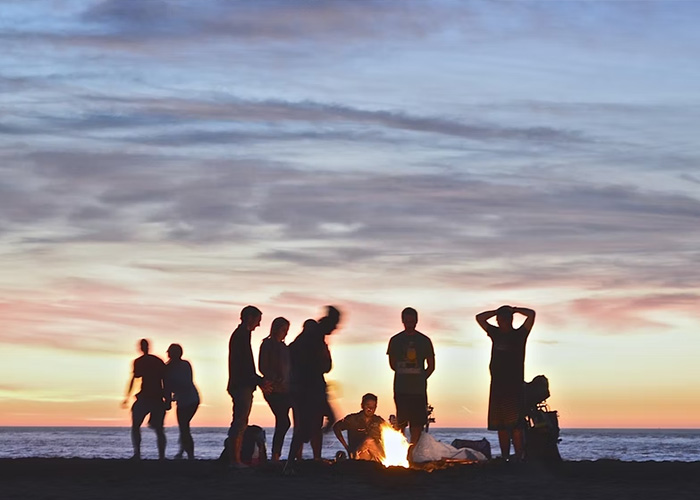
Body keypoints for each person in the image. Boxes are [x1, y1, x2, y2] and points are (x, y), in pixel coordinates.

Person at [476, 305, 536, 462]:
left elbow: (531, 315)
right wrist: (496, 311)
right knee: (500, 425)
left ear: (509, 320)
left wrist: (515, 309)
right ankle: (504, 456)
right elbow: (479, 318)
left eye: (502, 319)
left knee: (516, 425)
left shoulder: (520, 335)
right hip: (497, 386)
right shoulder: (495, 333)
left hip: (514, 386)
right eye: (499, 319)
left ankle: (518, 455)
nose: (500, 322)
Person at [227, 305, 271, 468]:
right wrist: (258, 380)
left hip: (242, 383)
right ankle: (235, 460)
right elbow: (244, 365)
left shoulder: (242, 335)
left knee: (240, 421)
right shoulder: (241, 336)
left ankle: (235, 459)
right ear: (249, 318)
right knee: (239, 422)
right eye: (257, 320)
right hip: (241, 385)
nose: (258, 325)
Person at [285, 318, 331, 470]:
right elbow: (326, 366)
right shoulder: (313, 346)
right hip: (308, 389)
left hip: (299, 389)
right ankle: (301, 459)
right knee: (309, 425)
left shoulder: (294, 346)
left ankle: (293, 461)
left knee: (303, 426)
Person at [387, 307, 435, 451]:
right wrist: (406, 373)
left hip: (418, 390)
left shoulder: (425, 341)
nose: (409, 323)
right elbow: (392, 364)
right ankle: (401, 450)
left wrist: (420, 378)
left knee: (417, 423)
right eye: (407, 320)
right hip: (401, 388)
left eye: (412, 320)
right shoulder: (395, 340)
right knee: (401, 421)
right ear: (402, 321)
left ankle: (412, 452)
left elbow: (431, 366)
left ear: (416, 321)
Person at [122, 338, 168, 460]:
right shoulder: (151, 361)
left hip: (153, 397)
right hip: (149, 397)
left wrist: (167, 398)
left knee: (155, 428)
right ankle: (142, 453)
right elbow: (134, 378)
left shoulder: (149, 361)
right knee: (146, 427)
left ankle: (153, 455)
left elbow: (165, 379)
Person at [258, 316, 292, 461]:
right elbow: (262, 366)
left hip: (286, 388)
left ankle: (277, 455)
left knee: (284, 421)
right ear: (276, 329)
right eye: (283, 330)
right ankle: (275, 455)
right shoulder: (267, 344)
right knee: (284, 421)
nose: (285, 333)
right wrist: (274, 378)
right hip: (273, 388)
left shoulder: (284, 348)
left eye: (286, 330)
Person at [164, 343, 200, 460]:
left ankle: (189, 455)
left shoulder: (184, 365)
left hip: (191, 399)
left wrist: (170, 398)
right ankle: (183, 452)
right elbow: (167, 386)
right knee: (184, 427)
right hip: (183, 400)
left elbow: (185, 383)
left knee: (184, 427)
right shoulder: (168, 368)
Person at [333, 393, 385, 462]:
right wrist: (346, 447)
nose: (371, 409)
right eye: (368, 406)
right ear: (362, 406)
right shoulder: (353, 419)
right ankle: (384, 462)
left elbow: (390, 432)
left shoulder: (379, 421)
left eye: (373, 406)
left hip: (375, 455)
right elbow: (336, 427)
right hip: (359, 454)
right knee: (369, 441)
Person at [318, 306, 341, 433]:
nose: (336, 328)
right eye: (335, 324)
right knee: (328, 419)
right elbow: (325, 366)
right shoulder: (316, 336)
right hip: (312, 387)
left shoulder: (319, 336)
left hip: (314, 385)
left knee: (324, 420)